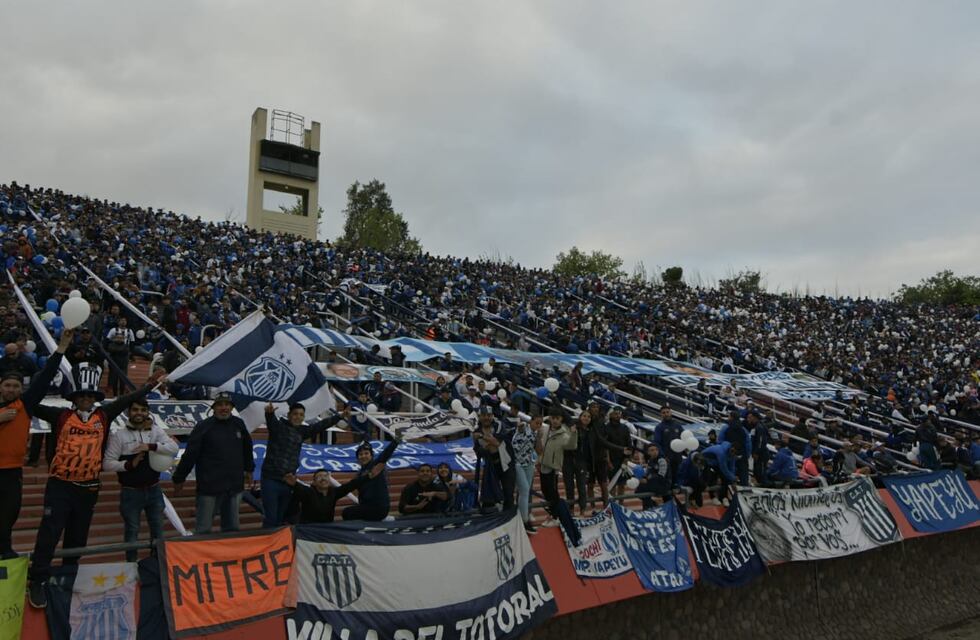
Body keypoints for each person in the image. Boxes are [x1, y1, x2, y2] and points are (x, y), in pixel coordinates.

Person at [22, 328, 162, 609]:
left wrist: (150, 385)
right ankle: (37, 579)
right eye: (81, 395)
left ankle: (68, 578)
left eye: (89, 395)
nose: (85, 399)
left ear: (95, 397)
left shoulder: (103, 415)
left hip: (88, 488)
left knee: (77, 535)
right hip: (60, 485)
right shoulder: (59, 415)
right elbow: (30, 401)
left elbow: (126, 400)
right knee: (50, 532)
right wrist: (60, 350)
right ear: (74, 397)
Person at [103, 398, 179, 561]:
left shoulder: (156, 431)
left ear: (147, 412)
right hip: (130, 493)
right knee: (132, 531)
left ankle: (158, 563)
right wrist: (129, 464)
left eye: (143, 410)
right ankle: (131, 565)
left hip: (154, 489)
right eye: (135, 409)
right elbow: (108, 463)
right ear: (128, 412)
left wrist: (151, 446)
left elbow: (174, 447)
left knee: (158, 529)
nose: (139, 413)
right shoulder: (119, 435)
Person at [172, 392, 255, 535]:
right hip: (209, 486)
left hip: (234, 486)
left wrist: (249, 469)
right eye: (220, 405)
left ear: (231, 407)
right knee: (203, 529)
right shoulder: (203, 426)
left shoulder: (238, 424)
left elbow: (247, 448)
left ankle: (230, 555)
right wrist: (179, 477)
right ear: (214, 407)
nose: (224, 408)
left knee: (232, 529)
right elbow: (190, 454)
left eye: (227, 404)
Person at [261, 402, 351, 528]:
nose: (298, 417)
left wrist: (339, 416)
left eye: (301, 415)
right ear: (289, 415)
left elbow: (320, 425)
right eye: (295, 414)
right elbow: (271, 422)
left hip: (288, 482)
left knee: (280, 518)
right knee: (271, 518)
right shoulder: (278, 427)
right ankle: (267, 545)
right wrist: (269, 414)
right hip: (271, 479)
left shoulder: (302, 431)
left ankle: (278, 545)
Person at [284, 466, 381, 524]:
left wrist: (369, 476)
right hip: (308, 530)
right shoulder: (309, 492)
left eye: (326, 476)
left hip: (328, 529)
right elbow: (300, 489)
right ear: (313, 482)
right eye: (319, 477)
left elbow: (351, 485)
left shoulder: (334, 493)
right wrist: (294, 484)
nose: (323, 479)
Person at [341, 439, 399, 521]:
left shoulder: (376, 466)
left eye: (366, 453)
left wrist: (396, 441)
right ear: (357, 458)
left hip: (379, 508)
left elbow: (385, 454)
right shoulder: (359, 474)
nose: (363, 456)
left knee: (347, 513)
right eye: (360, 454)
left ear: (371, 456)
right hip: (368, 507)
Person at [472, 407, 516, 512]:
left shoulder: (499, 425)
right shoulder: (475, 431)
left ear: (492, 416)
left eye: (488, 415)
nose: (486, 417)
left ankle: (509, 518)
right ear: (479, 417)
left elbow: (497, 442)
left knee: (508, 493)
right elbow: (479, 450)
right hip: (491, 467)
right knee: (489, 495)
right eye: (483, 415)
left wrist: (484, 438)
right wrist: (489, 445)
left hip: (506, 464)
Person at [538, 407, 578, 523]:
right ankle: (554, 514)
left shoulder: (564, 434)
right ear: (550, 418)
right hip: (543, 464)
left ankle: (556, 516)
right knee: (545, 490)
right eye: (553, 418)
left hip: (553, 466)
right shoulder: (545, 429)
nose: (555, 420)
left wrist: (574, 434)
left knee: (552, 492)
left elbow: (572, 446)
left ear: (561, 419)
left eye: (557, 418)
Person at [511, 413, 540, 532]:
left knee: (526, 492)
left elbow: (538, 450)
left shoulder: (536, 433)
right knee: (524, 490)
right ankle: (524, 520)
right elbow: (515, 441)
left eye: (540, 424)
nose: (538, 425)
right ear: (531, 421)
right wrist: (519, 428)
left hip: (529, 463)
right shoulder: (523, 428)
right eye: (536, 422)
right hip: (518, 463)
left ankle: (522, 516)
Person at [562, 410, 592, 514]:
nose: (586, 418)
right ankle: (571, 511)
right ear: (580, 417)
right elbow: (564, 413)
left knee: (582, 488)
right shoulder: (573, 426)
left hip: (581, 462)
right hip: (568, 461)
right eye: (584, 416)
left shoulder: (591, 431)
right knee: (569, 487)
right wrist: (554, 398)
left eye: (588, 417)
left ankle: (582, 511)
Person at [652, 405, 683, 484]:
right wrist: (663, 456)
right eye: (663, 413)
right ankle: (669, 495)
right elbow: (657, 443)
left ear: (671, 413)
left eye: (667, 412)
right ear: (661, 415)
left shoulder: (678, 426)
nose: (666, 414)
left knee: (677, 478)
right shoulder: (659, 427)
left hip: (678, 457)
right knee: (668, 479)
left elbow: (684, 439)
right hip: (666, 458)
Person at [701, 441, 737, 505]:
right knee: (712, 477)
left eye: (735, 453)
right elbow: (724, 468)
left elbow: (732, 467)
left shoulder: (733, 454)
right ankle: (713, 497)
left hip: (716, 462)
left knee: (726, 478)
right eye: (732, 451)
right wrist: (733, 478)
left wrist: (733, 478)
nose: (733, 453)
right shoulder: (721, 452)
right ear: (731, 448)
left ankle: (723, 497)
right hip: (705, 460)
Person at [638, 443, 671, 508]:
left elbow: (661, 476)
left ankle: (649, 508)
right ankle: (651, 505)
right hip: (654, 483)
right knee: (638, 490)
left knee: (642, 490)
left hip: (664, 484)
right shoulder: (650, 461)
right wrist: (643, 478)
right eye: (652, 450)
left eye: (656, 450)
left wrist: (647, 480)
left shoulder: (662, 460)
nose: (655, 451)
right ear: (648, 452)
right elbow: (648, 473)